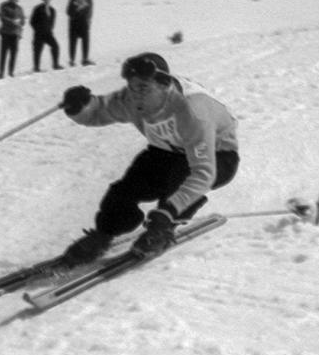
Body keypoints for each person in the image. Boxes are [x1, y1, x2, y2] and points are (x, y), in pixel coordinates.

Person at [57, 52, 239, 265]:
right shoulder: (132, 100)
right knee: (124, 190)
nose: (136, 95)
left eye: (143, 87)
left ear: (164, 84)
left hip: (218, 156)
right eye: (132, 87)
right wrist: (79, 107)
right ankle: (104, 234)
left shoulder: (193, 111)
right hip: (168, 151)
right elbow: (99, 111)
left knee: (180, 181)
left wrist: (167, 212)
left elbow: (203, 172)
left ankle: (163, 229)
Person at [30, 0, 62, 72]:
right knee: (38, 50)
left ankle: (55, 64)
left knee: (55, 46)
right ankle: (36, 67)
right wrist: (38, 29)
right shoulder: (38, 9)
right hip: (39, 34)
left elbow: (52, 23)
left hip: (48, 33)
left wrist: (49, 30)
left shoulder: (52, 10)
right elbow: (32, 21)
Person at [0, 0, 25, 79]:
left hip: (15, 34)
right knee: (3, 53)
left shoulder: (19, 8)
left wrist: (20, 23)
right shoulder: (4, 6)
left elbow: (23, 20)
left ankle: (11, 72)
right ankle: (1, 72)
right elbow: (2, 17)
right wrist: (12, 21)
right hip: (5, 33)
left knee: (14, 53)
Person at [66, 0, 94, 67]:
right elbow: (68, 11)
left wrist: (88, 21)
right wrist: (76, 6)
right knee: (73, 42)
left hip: (84, 23)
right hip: (74, 23)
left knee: (86, 40)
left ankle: (85, 59)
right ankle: (72, 60)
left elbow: (90, 12)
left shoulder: (89, 0)